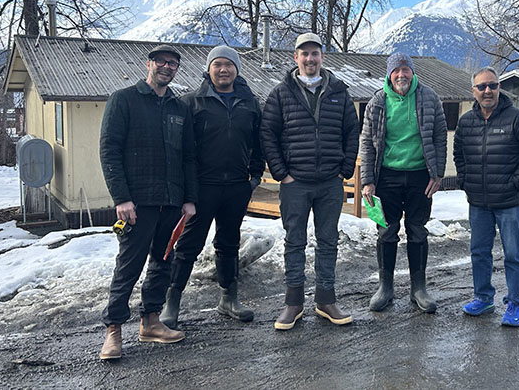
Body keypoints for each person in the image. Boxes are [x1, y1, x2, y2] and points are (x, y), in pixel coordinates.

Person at [98, 44, 198, 360]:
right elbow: (109, 151)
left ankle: (151, 321)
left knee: (163, 262)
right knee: (129, 265)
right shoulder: (124, 100)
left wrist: (189, 199)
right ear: (149, 64)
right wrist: (122, 198)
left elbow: (189, 157)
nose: (167, 67)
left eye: (173, 64)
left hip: (171, 201)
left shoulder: (179, 107)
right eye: (161, 62)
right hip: (137, 204)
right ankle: (114, 330)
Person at [260, 32, 360, 330]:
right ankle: (293, 303)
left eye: (315, 53)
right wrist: (282, 173)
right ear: (296, 58)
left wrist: (345, 169)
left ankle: (326, 300)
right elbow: (268, 135)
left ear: (322, 57)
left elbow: (352, 132)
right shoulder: (281, 93)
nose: (310, 59)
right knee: (295, 242)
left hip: (330, 182)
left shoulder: (339, 92)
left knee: (328, 241)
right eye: (304, 53)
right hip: (296, 183)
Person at [160, 45, 263, 328]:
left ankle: (229, 298)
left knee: (228, 243)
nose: (223, 69)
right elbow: (180, 149)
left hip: (237, 187)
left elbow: (259, 143)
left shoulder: (250, 103)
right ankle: (172, 301)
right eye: (217, 64)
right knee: (188, 245)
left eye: (229, 64)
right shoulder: (191, 102)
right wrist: (185, 188)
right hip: (201, 187)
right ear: (209, 69)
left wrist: (254, 178)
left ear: (236, 70)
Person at [453, 67, 519, 327]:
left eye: (492, 85)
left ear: (499, 88)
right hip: (478, 202)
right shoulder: (466, 123)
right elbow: (459, 154)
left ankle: (514, 302)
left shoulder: (517, 119)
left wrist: (513, 184)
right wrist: (465, 181)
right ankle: (483, 298)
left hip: (509, 203)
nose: (487, 91)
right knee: (479, 252)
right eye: (482, 86)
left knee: (513, 254)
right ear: (473, 91)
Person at [360, 52, 447, 313]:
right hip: (387, 176)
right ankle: (385, 287)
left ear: (412, 72)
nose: (401, 75)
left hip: (421, 175)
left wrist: (438, 174)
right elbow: (367, 143)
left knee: (417, 229)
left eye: (405, 70)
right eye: (396, 71)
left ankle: (418, 288)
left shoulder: (429, 98)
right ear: (389, 74)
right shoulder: (377, 102)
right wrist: (367, 180)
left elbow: (440, 137)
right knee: (387, 230)